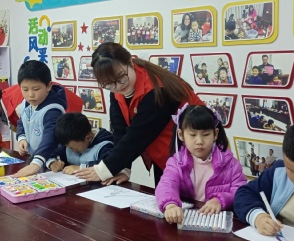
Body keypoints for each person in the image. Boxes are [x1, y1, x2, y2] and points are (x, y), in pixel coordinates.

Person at [74, 43, 203, 185]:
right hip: (166, 158)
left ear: (130, 62)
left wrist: (104, 170)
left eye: (121, 78)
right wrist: (123, 168)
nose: (119, 86)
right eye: (109, 84)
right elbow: (120, 130)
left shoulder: (158, 90)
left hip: (195, 156)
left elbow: (138, 135)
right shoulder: (116, 89)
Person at [155, 105, 245, 224]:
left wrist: (220, 200)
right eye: (193, 135)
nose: (199, 141)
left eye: (206, 134)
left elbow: (241, 190)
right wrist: (170, 204)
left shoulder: (230, 163)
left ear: (215, 134)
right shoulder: (176, 162)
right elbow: (166, 184)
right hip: (187, 220)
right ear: (181, 135)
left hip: (217, 222)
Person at [13, 60, 67, 176]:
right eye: (25, 89)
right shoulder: (26, 103)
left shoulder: (53, 110)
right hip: (37, 158)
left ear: (48, 86)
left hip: (53, 156)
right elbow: (22, 121)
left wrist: (36, 163)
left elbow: (51, 137)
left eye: (36, 89)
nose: (30, 95)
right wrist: (22, 138)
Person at [48, 112, 114, 174]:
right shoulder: (69, 140)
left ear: (88, 138)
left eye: (72, 148)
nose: (72, 151)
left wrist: (82, 168)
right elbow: (55, 153)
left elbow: (110, 164)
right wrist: (52, 162)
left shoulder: (105, 145)